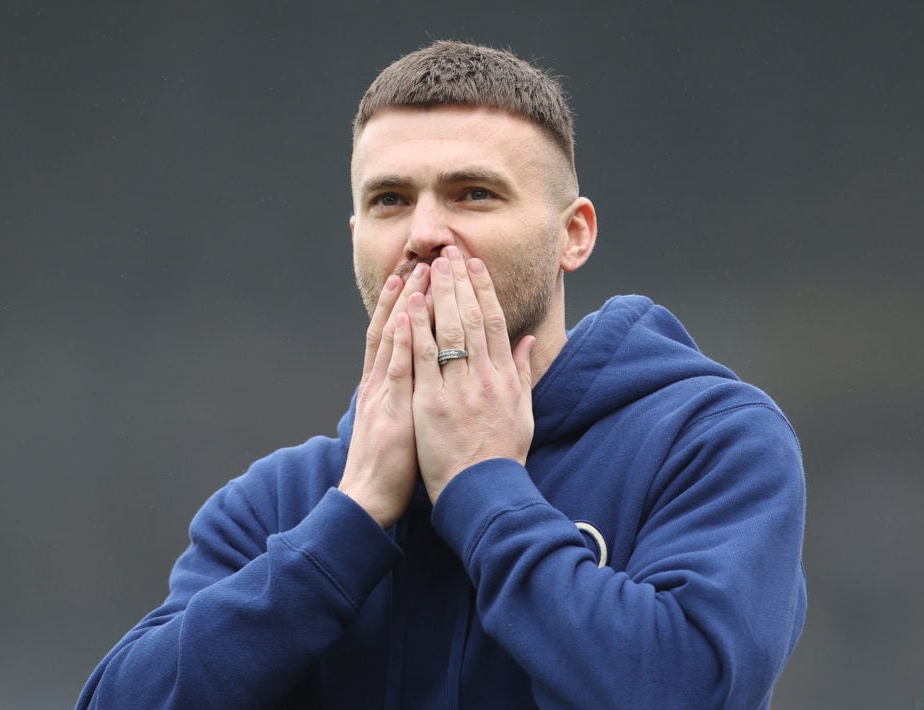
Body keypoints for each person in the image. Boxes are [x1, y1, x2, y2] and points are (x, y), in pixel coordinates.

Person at [77, 40, 806, 709]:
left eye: (473, 193)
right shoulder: (284, 500)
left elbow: (688, 690)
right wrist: (351, 521)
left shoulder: (707, 442)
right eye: (389, 200)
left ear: (573, 234)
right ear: (357, 236)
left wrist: (484, 486)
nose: (424, 234)